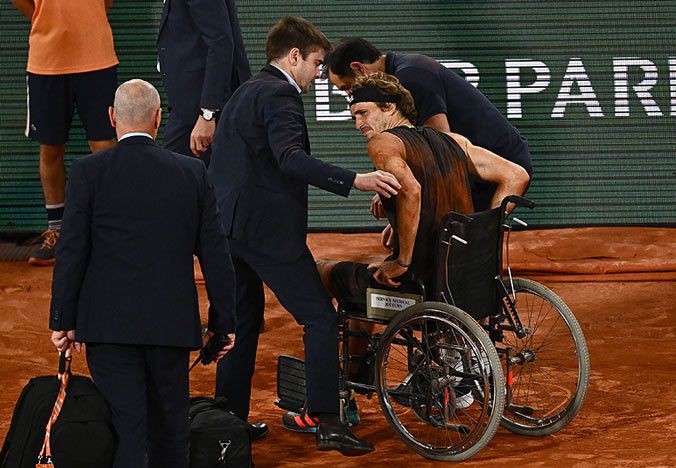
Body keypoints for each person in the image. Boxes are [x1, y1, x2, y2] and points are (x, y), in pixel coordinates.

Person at [281, 73, 530, 427]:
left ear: (390, 108)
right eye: (354, 116)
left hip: (418, 287)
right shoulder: (453, 142)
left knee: (321, 271)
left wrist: (403, 260)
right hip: (464, 278)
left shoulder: (385, 143)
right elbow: (516, 175)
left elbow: (412, 190)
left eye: (364, 113)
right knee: (363, 281)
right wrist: (479, 234)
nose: (358, 124)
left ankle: (344, 392)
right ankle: (369, 357)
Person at [208, 17, 401, 456]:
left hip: (228, 231)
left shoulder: (246, 91)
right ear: (293, 57)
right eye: (315, 63)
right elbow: (291, 159)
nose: (318, 74)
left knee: (242, 323)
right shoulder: (280, 94)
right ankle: (327, 422)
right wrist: (357, 179)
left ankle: (228, 423)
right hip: (266, 234)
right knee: (318, 317)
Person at [49, 79, 237, 468]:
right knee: (171, 428)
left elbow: (71, 252)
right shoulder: (191, 173)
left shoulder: (87, 171)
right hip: (170, 327)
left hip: (107, 327)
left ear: (112, 118)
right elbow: (217, 256)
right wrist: (223, 323)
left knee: (127, 428)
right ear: (157, 118)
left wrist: (63, 320)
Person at [324, 38, 533, 211]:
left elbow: (440, 147)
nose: (351, 95)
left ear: (358, 68)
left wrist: (407, 204)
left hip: (499, 164)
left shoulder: (412, 75)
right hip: (470, 166)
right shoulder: (401, 75)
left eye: (347, 88)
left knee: (468, 246)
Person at [12, 0, 119, 266]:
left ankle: (108, 232)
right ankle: (57, 231)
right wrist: (42, 16)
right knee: (50, 148)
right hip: (47, 59)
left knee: (104, 144)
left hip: (97, 56)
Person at [157, 0, 251, 164]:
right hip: (188, 106)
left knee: (171, 178)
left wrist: (208, 114)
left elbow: (221, 42)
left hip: (201, 108)